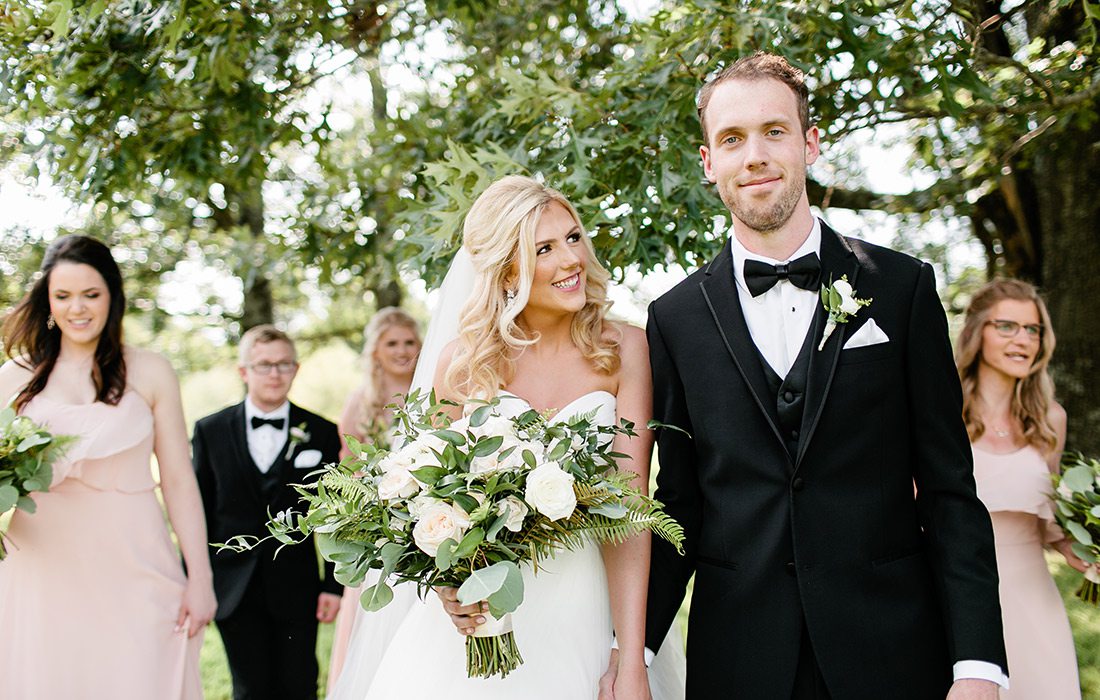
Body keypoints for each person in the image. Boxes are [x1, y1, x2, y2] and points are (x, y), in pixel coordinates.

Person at [637, 52, 1008, 698]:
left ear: (810, 144)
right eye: (732, 139)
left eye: (774, 132)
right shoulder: (673, 320)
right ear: (708, 163)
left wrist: (977, 664)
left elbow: (950, 491)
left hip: (894, 654)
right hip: (739, 664)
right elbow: (680, 508)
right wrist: (630, 649)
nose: (754, 156)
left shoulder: (903, 289)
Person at [329, 175, 684, 700]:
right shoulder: (463, 364)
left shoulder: (626, 349)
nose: (572, 260)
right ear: (506, 268)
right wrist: (448, 585)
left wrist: (629, 657)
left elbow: (632, 511)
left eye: (572, 238)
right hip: (481, 622)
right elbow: (425, 502)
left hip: (582, 608)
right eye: (544, 248)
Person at [0, 235, 216, 699]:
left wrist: (201, 577)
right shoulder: (16, 377)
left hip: (134, 557)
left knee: (137, 676)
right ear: (48, 301)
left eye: (91, 295)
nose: (77, 308)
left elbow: (179, 481)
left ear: (113, 297)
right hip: (40, 563)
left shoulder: (152, 371)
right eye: (63, 296)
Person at [192, 325, 342, 700]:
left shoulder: (322, 432)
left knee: (300, 684)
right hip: (232, 586)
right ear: (243, 371)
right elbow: (198, 511)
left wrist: (333, 585)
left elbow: (337, 516)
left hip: (297, 584)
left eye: (283, 364)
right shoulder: (210, 430)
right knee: (249, 688)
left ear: (296, 369)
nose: (274, 373)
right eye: (263, 365)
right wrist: (196, 580)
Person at [956, 278, 1085, 699]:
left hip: (1034, 600)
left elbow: (1049, 527)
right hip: (960, 598)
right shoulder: (944, 414)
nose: (1023, 340)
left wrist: (1081, 548)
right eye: (1007, 326)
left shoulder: (1051, 421)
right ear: (978, 332)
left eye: (1033, 330)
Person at [327, 307, 422, 688]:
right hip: (382, 533)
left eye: (410, 342)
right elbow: (348, 475)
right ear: (376, 351)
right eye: (392, 343)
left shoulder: (434, 392)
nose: (402, 351)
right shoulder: (361, 404)